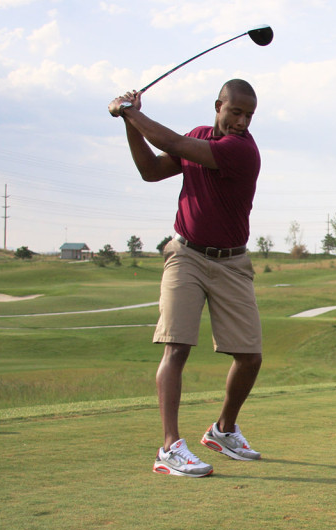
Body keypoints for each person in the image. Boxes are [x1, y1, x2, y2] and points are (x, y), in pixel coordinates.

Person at [109, 79, 263, 477]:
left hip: (232, 262)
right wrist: (130, 123)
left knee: (249, 357)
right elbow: (150, 170)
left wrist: (130, 111)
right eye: (235, 112)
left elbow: (175, 145)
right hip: (187, 255)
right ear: (219, 106)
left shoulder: (241, 151)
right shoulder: (198, 136)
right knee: (176, 348)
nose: (241, 121)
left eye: (248, 115)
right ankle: (170, 448)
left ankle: (224, 430)